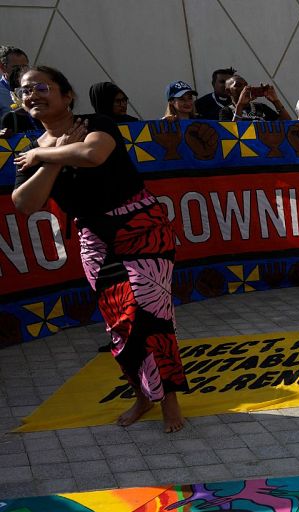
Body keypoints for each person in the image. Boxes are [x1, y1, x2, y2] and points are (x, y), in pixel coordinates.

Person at [11, 66, 188, 432]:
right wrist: (50, 155)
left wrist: (47, 155)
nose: (32, 95)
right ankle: (142, 396)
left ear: (67, 95)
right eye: (25, 90)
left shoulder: (97, 123)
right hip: (95, 239)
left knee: (150, 314)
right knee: (119, 323)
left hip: (141, 226)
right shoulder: (34, 153)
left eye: (42, 87)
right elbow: (25, 202)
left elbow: (93, 154)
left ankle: (169, 398)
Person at [218, 74, 290, 121]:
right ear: (228, 91)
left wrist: (276, 101)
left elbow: (288, 125)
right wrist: (240, 105)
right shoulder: (226, 111)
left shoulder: (261, 107)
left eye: (246, 85)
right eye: (238, 85)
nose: (244, 88)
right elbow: (230, 133)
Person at [0, 66, 41, 137]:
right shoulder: (11, 118)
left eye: (41, 89)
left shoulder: (49, 113)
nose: (32, 96)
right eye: (25, 91)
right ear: (14, 95)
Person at [0, 46, 28, 120]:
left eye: (24, 67)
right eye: (16, 68)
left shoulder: (34, 88)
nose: (21, 71)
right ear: (2, 67)